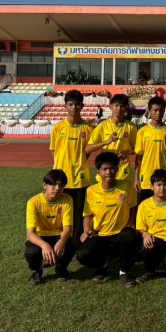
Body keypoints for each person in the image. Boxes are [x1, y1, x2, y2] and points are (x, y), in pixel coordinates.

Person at [76, 152, 139, 287]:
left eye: (112, 168)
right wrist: (86, 231)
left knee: (130, 235)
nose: (108, 172)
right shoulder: (91, 191)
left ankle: (124, 271)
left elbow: (133, 207)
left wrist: (130, 224)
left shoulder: (127, 186)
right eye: (104, 169)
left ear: (117, 169)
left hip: (120, 234)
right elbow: (88, 215)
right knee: (82, 255)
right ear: (98, 172)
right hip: (100, 234)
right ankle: (102, 265)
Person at [49, 89, 94, 242]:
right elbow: (54, 152)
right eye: (70, 104)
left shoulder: (88, 129)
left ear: (82, 106)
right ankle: (62, 242)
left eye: (77, 104)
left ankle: (77, 243)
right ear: (65, 106)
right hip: (61, 180)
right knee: (61, 212)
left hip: (80, 178)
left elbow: (87, 152)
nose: (74, 107)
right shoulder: (57, 128)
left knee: (79, 212)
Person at [24, 169, 76, 285]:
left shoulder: (67, 199)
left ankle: (61, 267)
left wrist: (61, 241)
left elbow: (68, 228)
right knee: (32, 252)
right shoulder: (33, 202)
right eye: (53, 184)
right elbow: (30, 233)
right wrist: (44, 245)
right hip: (40, 235)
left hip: (58, 234)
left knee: (70, 244)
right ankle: (37, 271)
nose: (57, 188)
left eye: (61, 185)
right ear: (44, 185)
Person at [134, 169, 166, 283]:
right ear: (152, 187)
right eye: (159, 185)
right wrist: (145, 234)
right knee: (147, 246)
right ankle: (150, 270)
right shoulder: (144, 205)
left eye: (165, 184)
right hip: (155, 240)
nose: (162, 188)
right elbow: (140, 228)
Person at [86, 94, 138, 184]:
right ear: (110, 106)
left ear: (126, 108)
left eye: (122, 106)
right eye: (116, 105)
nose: (119, 109)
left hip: (123, 172)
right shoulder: (102, 126)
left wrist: (128, 152)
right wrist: (105, 142)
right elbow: (88, 149)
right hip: (106, 171)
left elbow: (136, 148)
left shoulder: (131, 127)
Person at [134, 96, 166, 203]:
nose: (158, 113)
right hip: (146, 178)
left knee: (164, 208)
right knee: (144, 208)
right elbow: (139, 158)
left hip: (164, 178)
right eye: (155, 110)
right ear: (149, 111)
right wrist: (136, 178)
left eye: (161, 110)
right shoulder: (142, 131)